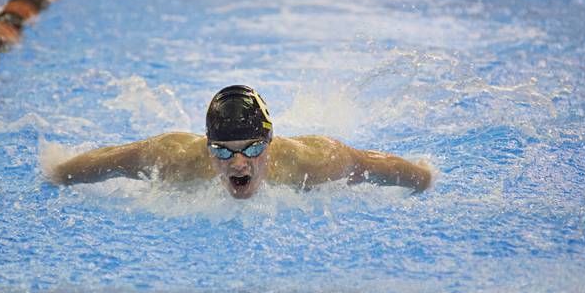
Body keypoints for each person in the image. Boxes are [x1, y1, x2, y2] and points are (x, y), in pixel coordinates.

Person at [50, 85, 432, 199]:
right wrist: (56, 173)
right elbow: (113, 159)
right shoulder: (175, 159)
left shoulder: (313, 163)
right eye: (222, 151)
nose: (238, 164)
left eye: (252, 149)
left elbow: (373, 165)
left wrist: (424, 180)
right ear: (206, 146)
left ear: (270, 143)